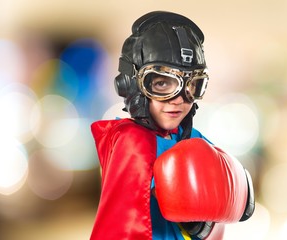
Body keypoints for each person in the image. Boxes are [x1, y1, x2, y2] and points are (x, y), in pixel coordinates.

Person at [90, 11, 255, 240]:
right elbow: (124, 226)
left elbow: (239, 201)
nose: (178, 98)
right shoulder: (130, 140)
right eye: (161, 83)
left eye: (191, 85)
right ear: (132, 85)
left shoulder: (190, 138)